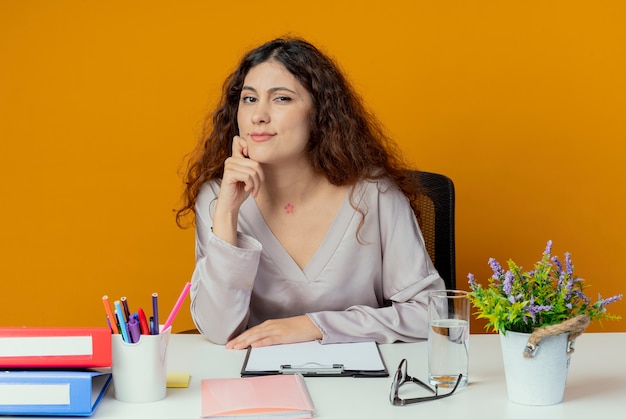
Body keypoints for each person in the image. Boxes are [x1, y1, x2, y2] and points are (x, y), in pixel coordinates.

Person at [176, 37, 444, 349]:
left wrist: (313, 325)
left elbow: (430, 313)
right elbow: (219, 330)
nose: (258, 116)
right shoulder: (218, 197)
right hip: (260, 386)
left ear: (320, 113)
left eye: (282, 99)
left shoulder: (373, 195)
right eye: (249, 99)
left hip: (363, 387)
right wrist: (226, 214)